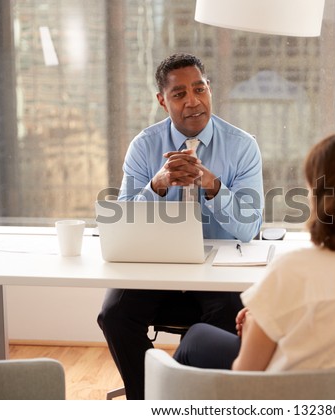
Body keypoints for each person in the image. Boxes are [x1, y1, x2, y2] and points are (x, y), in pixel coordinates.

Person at [173, 129, 335, 372]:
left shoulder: (293, 271)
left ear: (321, 198)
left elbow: (246, 375)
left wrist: (257, 322)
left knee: (196, 337)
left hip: (292, 399)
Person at [97, 52, 264, 399]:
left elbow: (249, 227)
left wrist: (213, 186)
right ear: (162, 100)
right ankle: (146, 399)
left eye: (199, 89)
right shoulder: (144, 146)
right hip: (158, 267)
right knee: (114, 315)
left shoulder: (242, 146)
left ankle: (189, 399)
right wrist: (157, 185)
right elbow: (124, 221)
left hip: (218, 272)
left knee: (227, 321)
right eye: (179, 94)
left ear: (209, 89)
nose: (193, 101)